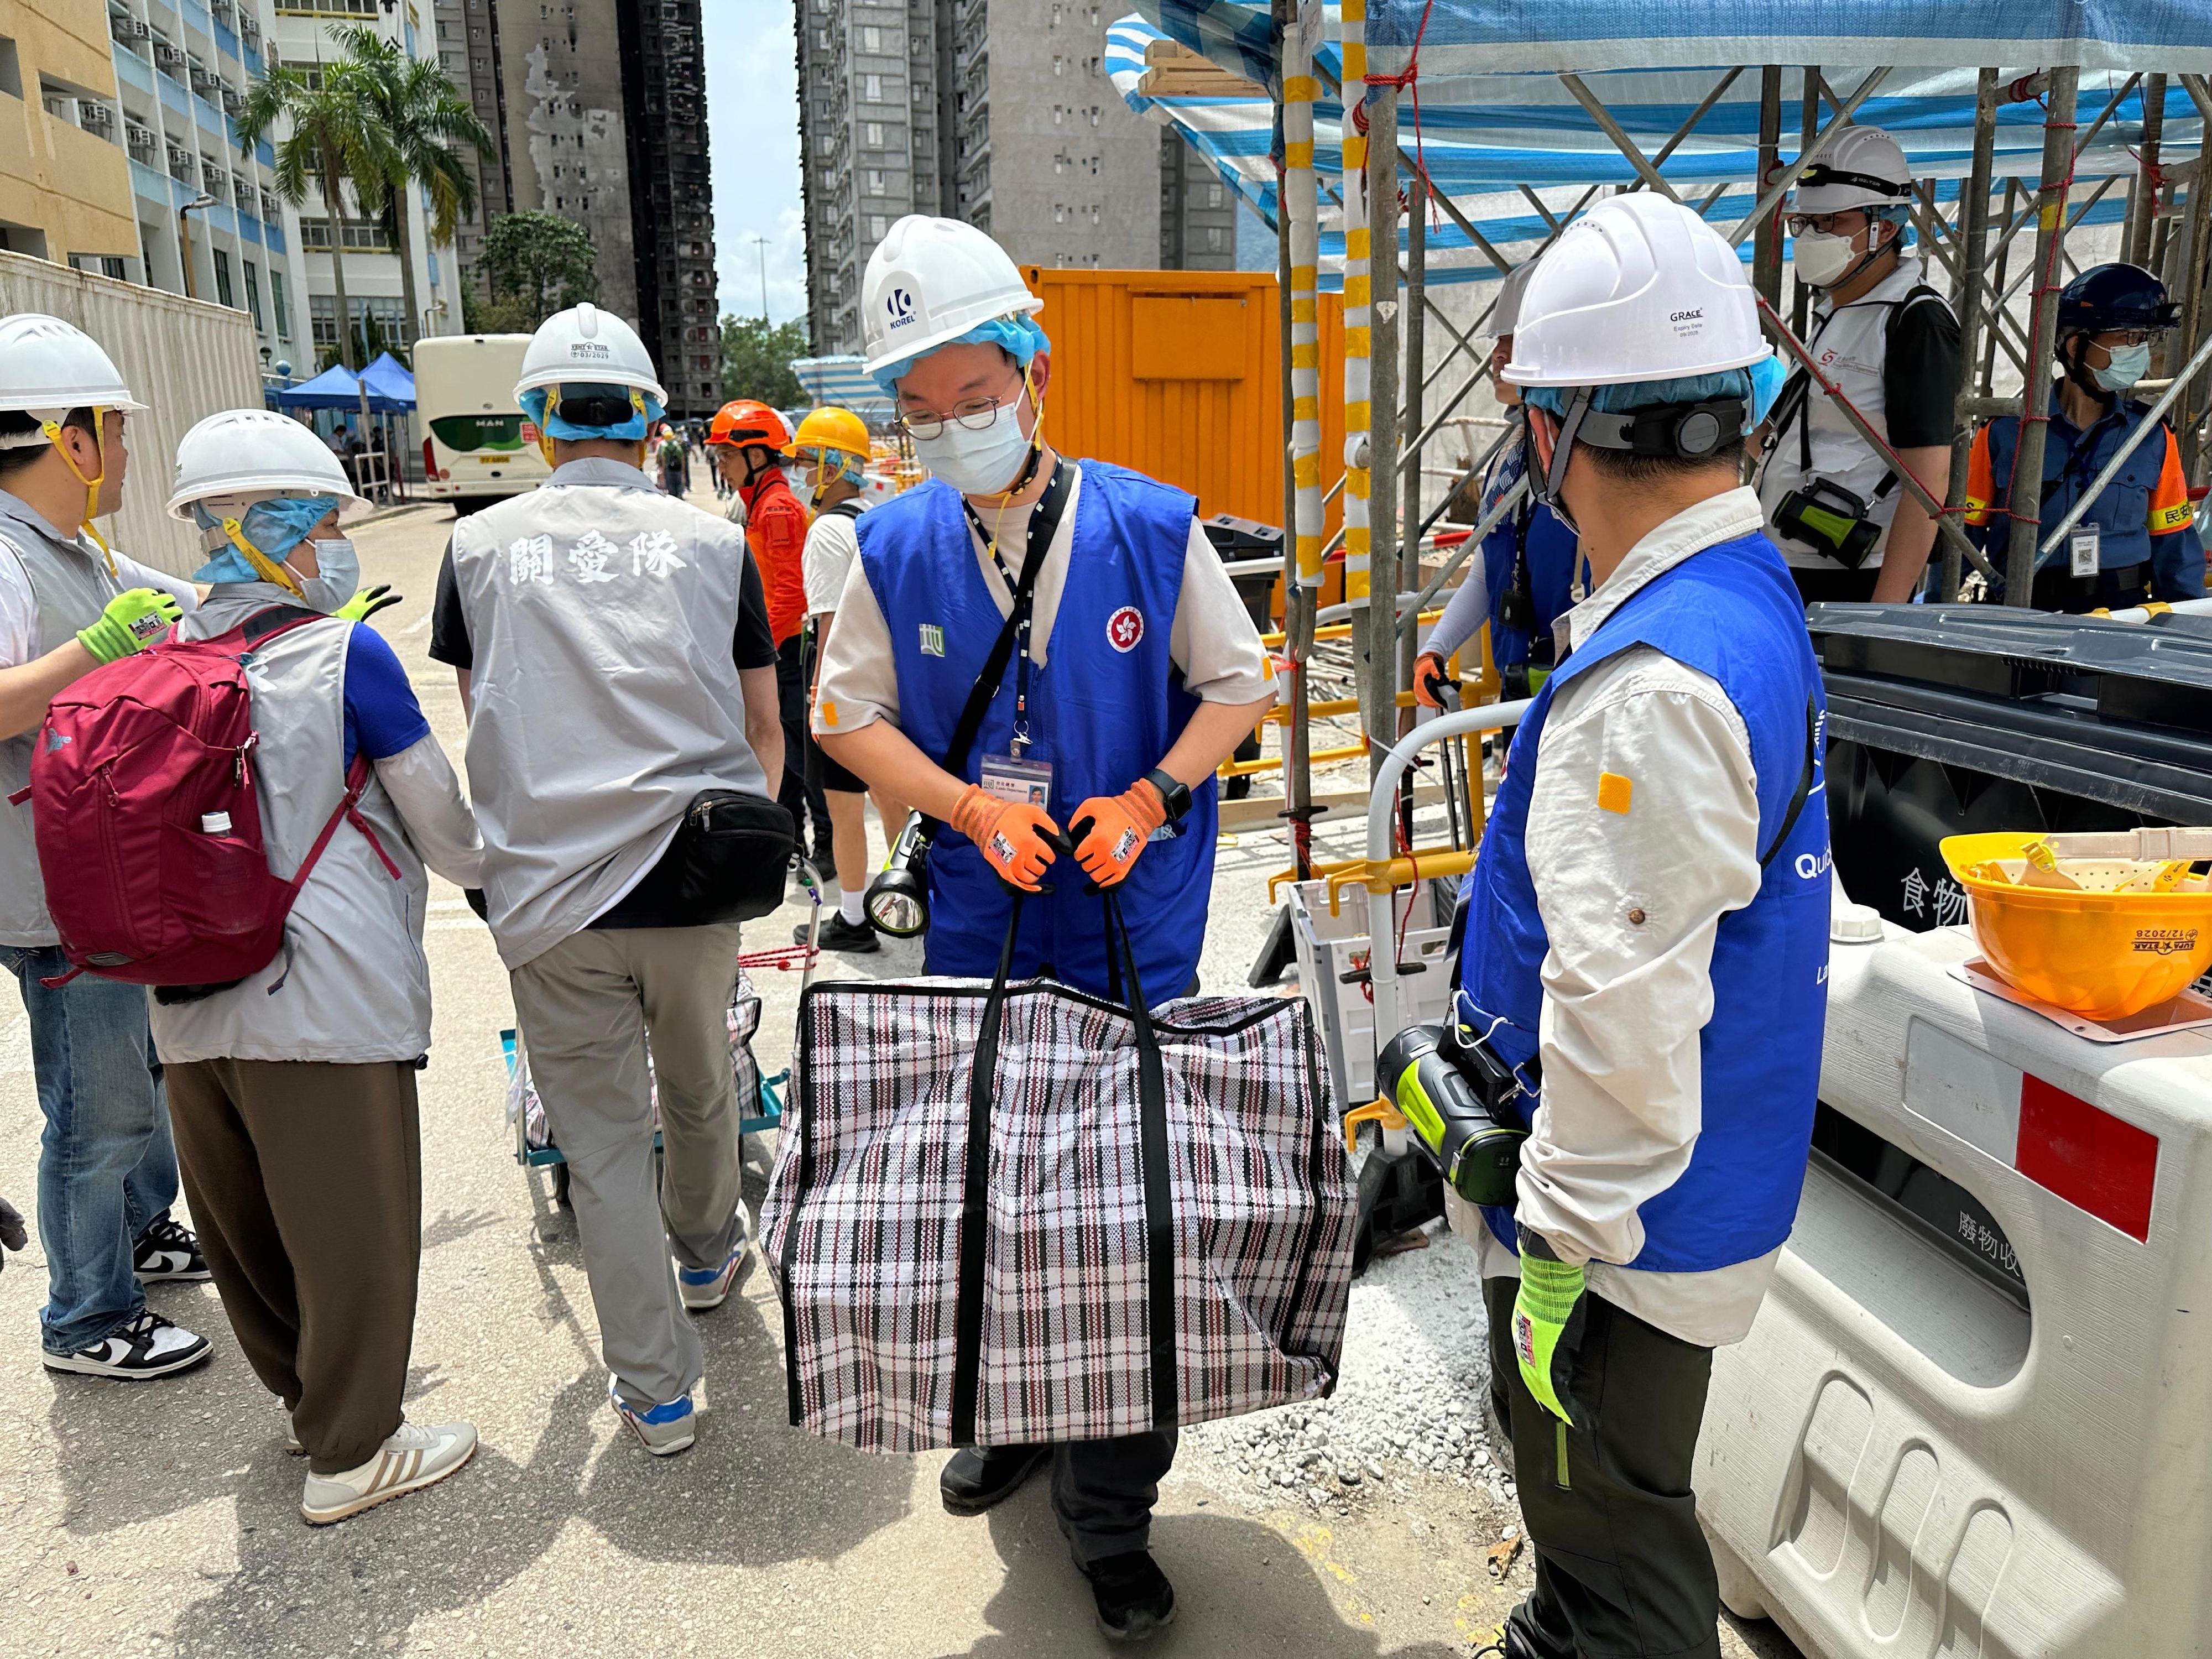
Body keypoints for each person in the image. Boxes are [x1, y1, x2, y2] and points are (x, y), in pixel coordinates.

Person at [812, 214, 1278, 1643]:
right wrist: (963, 809)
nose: (952, 427)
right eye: (924, 408)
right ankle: (1014, 1421)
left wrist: (1151, 791)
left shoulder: (1151, 521)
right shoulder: (890, 541)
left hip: (1131, 933)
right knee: (1003, 1211)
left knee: (1127, 1230)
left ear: (1037, 374)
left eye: (977, 396)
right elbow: (846, 716)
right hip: (983, 937)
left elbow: (1240, 683)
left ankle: (1113, 1514)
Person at [1449, 193, 1827, 1659]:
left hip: (1624, 1235)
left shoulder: (1653, 689)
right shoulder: (1744, 592)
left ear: (1556, 428)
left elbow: (1619, 1019)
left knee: (1618, 1560)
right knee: (1596, 1546)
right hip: (1682, 1191)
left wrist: (1557, 1245)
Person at [428, 304, 785, 1457]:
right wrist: (744, 819)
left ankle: (657, 1394)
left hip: (545, 896)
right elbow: (762, 724)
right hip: (690, 876)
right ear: (649, 425)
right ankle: (707, 1256)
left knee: (597, 1136)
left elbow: (482, 712)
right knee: (697, 1085)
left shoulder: (478, 548)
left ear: (537, 426)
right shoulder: (712, 542)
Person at [156, 408, 484, 1524]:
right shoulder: (344, 651)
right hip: (324, 995)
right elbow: (440, 819)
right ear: (277, 534)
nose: (338, 544)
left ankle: (307, 1402)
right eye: (327, 525)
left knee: (243, 1227)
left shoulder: (155, 652)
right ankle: (354, 1449)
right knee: (354, 1230)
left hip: (185, 1006)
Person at [0, 314, 215, 1381]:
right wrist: (94, 645)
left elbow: (183, 608)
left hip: (97, 874)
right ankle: (86, 1317)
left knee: (141, 1075)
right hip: (44, 890)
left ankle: (138, 1237)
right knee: (96, 1110)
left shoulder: (74, 546)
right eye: (116, 432)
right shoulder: (3, 558)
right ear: (67, 438)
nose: (126, 451)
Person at [1754, 126, 1962, 604]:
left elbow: (1927, 483)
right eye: (1802, 223)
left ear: (1884, 228)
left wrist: (1881, 621)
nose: (1809, 236)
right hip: (1791, 557)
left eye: (1829, 222)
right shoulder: (1840, 309)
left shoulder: (1915, 319)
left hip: (1853, 575)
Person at [1964, 263, 2202, 610]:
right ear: (2076, 345)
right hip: (2024, 616)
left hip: (2122, 621)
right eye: (2125, 336)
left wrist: (2188, 630)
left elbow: (2175, 546)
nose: (2139, 352)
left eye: (2143, 339)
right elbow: (1961, 542)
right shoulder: (2002, 433)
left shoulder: (2153, 436)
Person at [1413, 258, 1585, 708]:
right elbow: (1488, 570)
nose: (1499, 354)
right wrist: (1437, 648)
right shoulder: (1510, 454)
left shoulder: (1594, 461)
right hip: (1522, 687)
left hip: (1578, 691)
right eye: (1498, 342)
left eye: (1516, 340)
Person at [784, 405, 904, 953]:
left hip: (842, 680)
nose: (800, 472)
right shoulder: (873, 519)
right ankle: (906, 896)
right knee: (891, 793)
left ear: (834, 465)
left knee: (844, 802)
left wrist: (819, 694)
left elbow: (830, 618)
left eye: (808, 460)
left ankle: (855, 920)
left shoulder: (825, 534)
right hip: (887, 679)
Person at [707, 400, 827, 864]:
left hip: (787, 651)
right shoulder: (758, 503)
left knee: (801, 756)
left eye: (726, 455)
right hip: (777, 650)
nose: (721, 465)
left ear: (757, 456)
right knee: (788, 753)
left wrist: (758, 653)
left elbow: (790, 594)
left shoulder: (777, 509)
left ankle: (828, 850)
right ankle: (793, 840)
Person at [656, 423, 691, 500]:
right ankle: (679, 495)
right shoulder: (677, 446)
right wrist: (683, 470)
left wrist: (663, 469)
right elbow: (682, 458)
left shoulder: (664, 446)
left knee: (670, 483)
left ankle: (673, 497)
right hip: (678, 468)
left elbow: (663, 458)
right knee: (679, 482)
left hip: (669, 468)